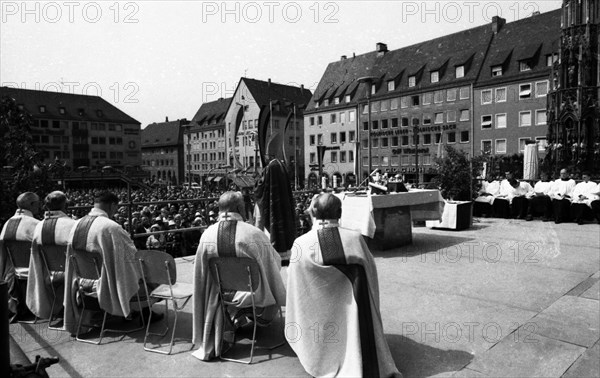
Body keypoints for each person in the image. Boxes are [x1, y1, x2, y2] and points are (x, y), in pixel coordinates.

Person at [286, 193, 401, 377]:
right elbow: (370, 274)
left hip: (317, 314)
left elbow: (295, 284)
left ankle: (320, 355)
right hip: (354, 310)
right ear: (340, 213)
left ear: (313, 213)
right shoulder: (355, 239)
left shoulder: (300, 243)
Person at [192, 191, 286, 361]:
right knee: (271, 284)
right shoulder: (253, 234)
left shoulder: (206, 235)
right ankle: (247, 315)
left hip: (219, 296)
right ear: (239, 208)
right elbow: (274, 263)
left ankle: (232, 316)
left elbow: (201, 275)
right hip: (253, 293)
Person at [63, 191, 144, 334]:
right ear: (113, 205)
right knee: (144, 273)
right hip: (105, 283)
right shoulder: (111, 227)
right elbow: (131, 256)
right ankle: (139, 312)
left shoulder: (76, 224)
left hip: (80, 281)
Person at [26, 191, 76, 322]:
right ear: (65, 206)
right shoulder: (72, 225)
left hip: (48, 273)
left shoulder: (38, 226)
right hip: (73, 274)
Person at [0, 192, 41, 322]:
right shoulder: (36, 224)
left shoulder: (7, 224)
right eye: (38, 203)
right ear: (32, 204)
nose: (40, 207)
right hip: (35, 271)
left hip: (14, 272)